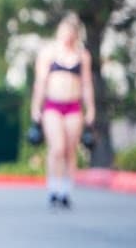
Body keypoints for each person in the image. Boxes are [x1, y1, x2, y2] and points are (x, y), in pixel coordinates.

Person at [29, 14, 95, 208]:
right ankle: (53, 187)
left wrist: (90, 108)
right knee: (56, 147)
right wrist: (36, 106)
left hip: (73, 106)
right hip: (53, 105)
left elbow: (86, 84)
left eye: (71, 32)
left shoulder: (82, 55)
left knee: (70, 149)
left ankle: (66, 190)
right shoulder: (49, 53)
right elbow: (40, 82)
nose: (68, 35)